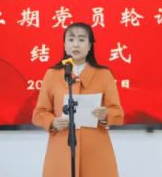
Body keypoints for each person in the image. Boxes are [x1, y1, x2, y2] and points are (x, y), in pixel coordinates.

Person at [32, 22, 124, 177]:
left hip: (96, 151)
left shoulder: (104, 74)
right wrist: (52, 122)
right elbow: (39, 113)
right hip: (62, 149)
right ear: (64, 45)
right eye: (71, 39)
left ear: (89, 46)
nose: (76, 44)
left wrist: (105, 115)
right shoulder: (52, 74)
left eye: (81, 40)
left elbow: (118, 113)